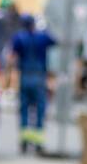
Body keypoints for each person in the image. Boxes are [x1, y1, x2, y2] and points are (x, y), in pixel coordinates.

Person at [8, 13, 56, 154]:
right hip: (39, 78)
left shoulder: (18, 38)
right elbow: (55, 40)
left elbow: (11, 57)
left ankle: (24, 141)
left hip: (24, 78)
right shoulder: (42, 37)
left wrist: (9, 77)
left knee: (24, 109)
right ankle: (38, 142)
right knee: (40, 110)